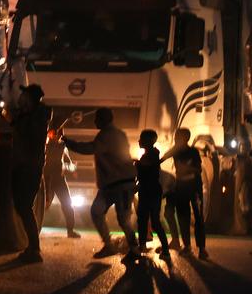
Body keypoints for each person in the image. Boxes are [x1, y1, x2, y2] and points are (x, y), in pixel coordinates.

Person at [60, 107, 138, 259]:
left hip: (119, 184)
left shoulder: (108, 135)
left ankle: (132, 248)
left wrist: (67, 142)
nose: (94, 121)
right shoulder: (115, 133)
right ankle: (112, 245)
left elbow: (90, 148)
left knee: (120, 218)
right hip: (113, 184)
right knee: (104, 213)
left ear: (103, 119)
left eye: (97, 118)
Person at [9, 84, 50, 263]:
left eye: (24, 94)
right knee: (22, 206)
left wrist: (16, 120)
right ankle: (33, 248)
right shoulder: (32, 115)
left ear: (31, 98)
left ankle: (34, 249)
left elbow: (28, 135)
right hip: (25, 165)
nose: (21, 97)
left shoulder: (37, 118)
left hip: (31, 167)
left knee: (24, 206)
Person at [160, 128, 209, 260]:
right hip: (181, 187)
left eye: (178, 136)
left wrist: (187, 168)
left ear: (185, 138)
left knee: (198, 218)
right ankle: (187, 246)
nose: (175, 139)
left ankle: (202, 249)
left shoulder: (193, 151)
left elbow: (198, 169)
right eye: (175, 136)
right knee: (183, 217)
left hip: (194, 187)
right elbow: (162, 158)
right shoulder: (175, 150)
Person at [36, 114, 81, 239]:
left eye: (59, 133)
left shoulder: (62, 145)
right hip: (46, 178)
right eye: (55, 132)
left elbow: (68, 162)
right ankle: (32, 229)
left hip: (58, 179)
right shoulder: (47, 144)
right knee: (44, 204)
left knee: (67, 204)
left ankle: (70, 230)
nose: (57, 135)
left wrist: (71, 167)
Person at [135, 130, 171, 265]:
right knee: (144, 219)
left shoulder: (153, 154)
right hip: (148, 191)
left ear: (147, 141)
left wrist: (136, 163)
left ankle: (164, 250)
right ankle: (143, 246)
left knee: (152, 221)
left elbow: (146, 167)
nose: (138, 141)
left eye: (141, 139)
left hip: (150, 192)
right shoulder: (149, 155)